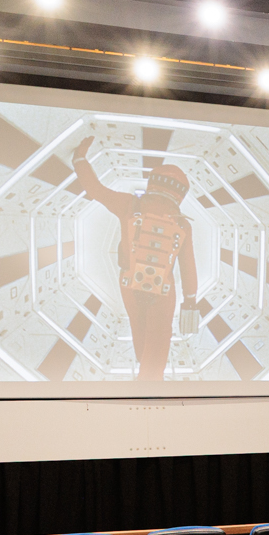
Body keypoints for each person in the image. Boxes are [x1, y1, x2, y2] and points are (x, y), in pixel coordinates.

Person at [68, 135, 199, 382]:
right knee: (158, 341)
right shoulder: (183, 224)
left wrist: (80, 159)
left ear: (153, 183)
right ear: (180, 194)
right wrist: (190, 301)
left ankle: (146, 375)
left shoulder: (129, 204)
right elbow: (188, 267)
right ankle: (149, 384)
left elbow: (95, 190)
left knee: (140, 334)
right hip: (163, 289)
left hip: (130, 283)